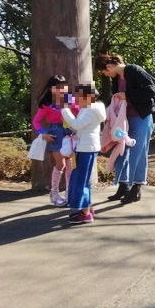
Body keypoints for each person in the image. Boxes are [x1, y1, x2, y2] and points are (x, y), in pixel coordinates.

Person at [95, 53, 155, 204]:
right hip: (125, 120)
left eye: (104, 72)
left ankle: (136, 188)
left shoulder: (134, 71)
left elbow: (151, 91)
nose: (106, 75)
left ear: (109, 66)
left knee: (138, 152)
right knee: (121, 151)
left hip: (141, 118)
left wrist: (127, 95)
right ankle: (123, 186)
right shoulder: (117, 78)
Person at [62, 83, 106, 224]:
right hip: (87, 147)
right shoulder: (92, 108)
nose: (76, 99)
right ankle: (87, 209)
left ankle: (85, 213)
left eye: (78, 96)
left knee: (80, 180)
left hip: (86, 148)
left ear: (86, 96)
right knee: (83, 180)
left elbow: (76, 125)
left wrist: (65, 110)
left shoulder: (90, 110)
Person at [32, 75, 76, 207]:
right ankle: (54, 193)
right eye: (57, 87)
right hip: (55, 135)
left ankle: (70, 193)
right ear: (51, 89)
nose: (61, 89)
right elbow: (36, 121)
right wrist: (43, 133)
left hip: (69, 133)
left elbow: (81, 112)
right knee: (60, 164)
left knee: (70, 165)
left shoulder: (70, 99)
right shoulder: (46, 104)